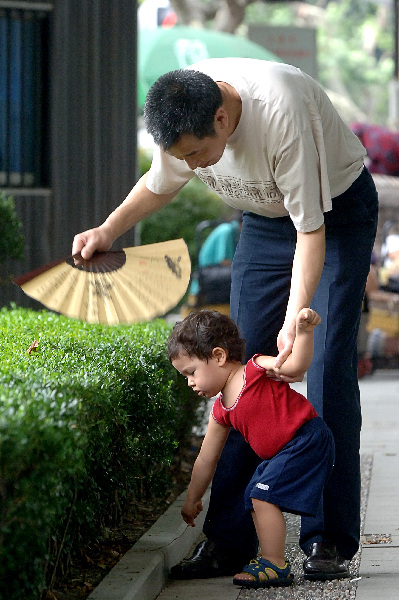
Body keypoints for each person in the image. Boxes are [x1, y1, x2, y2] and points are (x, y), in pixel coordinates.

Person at [72, 58, 378, 580]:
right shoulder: (181, 109)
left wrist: (292, 320)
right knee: (237, 375)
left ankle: (328, 538)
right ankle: (229, 541)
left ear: (221, 117)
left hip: (335, 215)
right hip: (263, 220)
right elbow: (159, 181)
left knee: (323, 366)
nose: (192, 165)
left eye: (197, 155)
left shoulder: (279, 109)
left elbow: (311, 232)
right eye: (183, 157)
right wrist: (109, 229)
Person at [167, 308, 334, 589]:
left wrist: (304, 333)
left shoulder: (255, 370)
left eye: (191, 372)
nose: (190, 382)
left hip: (305, 439)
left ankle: (274, 564)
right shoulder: (221, 410)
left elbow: (295, 367)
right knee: (253, 495)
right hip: (283, 452)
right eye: (185, 377)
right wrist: (192, 499)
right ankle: (270, 560)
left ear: (219, 356)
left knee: (261, 495)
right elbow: (206, 458)